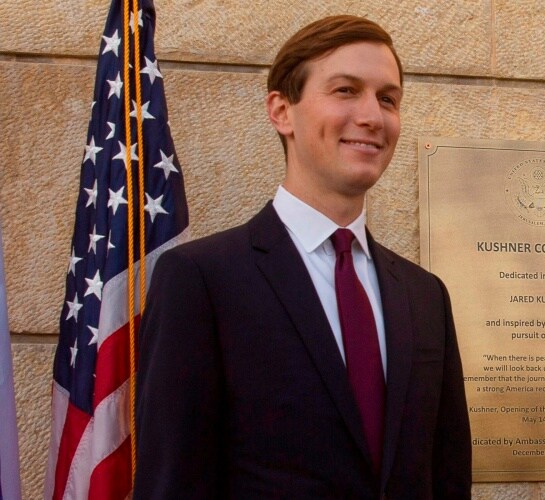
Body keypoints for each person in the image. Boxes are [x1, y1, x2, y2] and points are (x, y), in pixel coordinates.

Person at [134, 15, 472, 499]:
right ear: (281, 110)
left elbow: (448, 479)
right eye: (345, 90)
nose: (373, 116)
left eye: (388, 98)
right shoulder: (202, 280)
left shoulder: (425, 296)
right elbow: (174, 482)